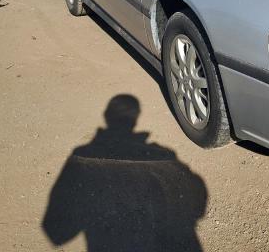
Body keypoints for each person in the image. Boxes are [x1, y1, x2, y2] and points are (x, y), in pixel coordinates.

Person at [42, 94, 207, 251]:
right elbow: (197, 200)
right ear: (136, 119)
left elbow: (56, 233)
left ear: (106, 116)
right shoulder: (165, 154)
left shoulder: (82, 157)